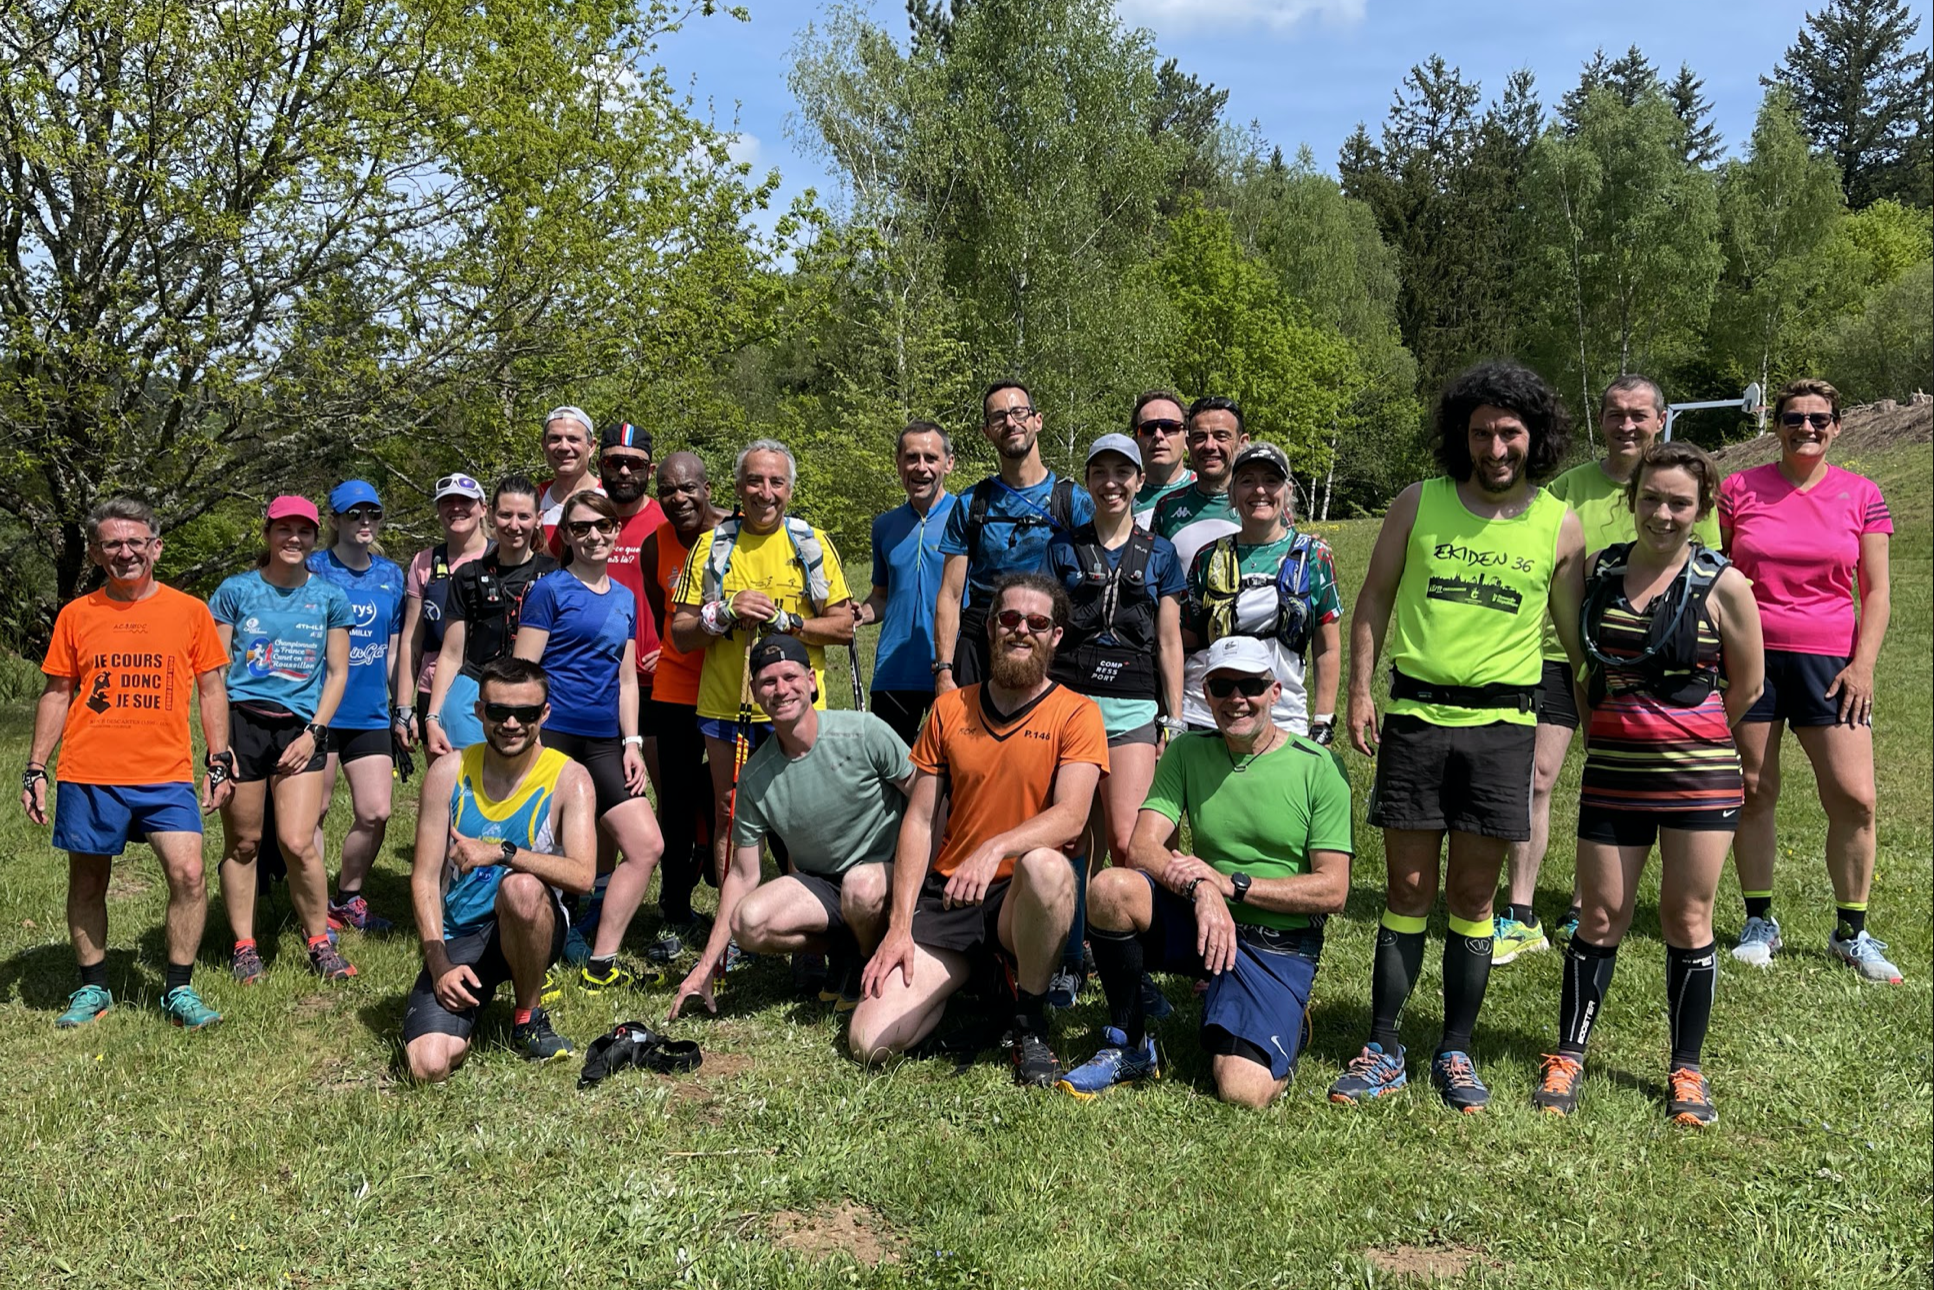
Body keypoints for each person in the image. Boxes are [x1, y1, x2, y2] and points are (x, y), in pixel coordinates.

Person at [1330, 360, 1586, 1113]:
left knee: (1474, 895)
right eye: (1481, 433)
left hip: (1503, 729)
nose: (1495, 448)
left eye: (1509, 432)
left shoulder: (1559, 523)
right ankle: (1383, 1047)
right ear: (1461, 436)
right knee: (1408, 888)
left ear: (1533, 436)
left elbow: (1576, 640)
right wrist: (1359, 691)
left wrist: (1613, 711)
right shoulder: (1420, 502)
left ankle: (1455, 1049)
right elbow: (1373, 598)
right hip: (1416, 720)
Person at [1531, 441, 1764, 1127]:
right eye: (1652, 498)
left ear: (1702, 508)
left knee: (1686, 918)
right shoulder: (1602, 572)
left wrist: (1694, 737)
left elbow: (1749, 686)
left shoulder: (1725, 584)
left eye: (1679, 503)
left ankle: (1687, 1069)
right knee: (1600, 916)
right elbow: (1583, 669)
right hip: (1614, 773)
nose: (1664, 513)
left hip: (1699, 778)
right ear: (1632, 500)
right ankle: (1568, 1054)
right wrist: (1604, 731)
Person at [1058, 637, 1352, 1105]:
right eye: (1222, 686)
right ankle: (1130, 1044)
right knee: (1112, 888)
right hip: (1204, 921)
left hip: (1277, 944)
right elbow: (1142, 846)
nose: (1237, 699)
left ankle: (1285, 1020)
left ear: (1275, 691)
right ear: (1206, 694)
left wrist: (1231, 886)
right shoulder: (1187, 752)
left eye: (1250, 686)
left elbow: (1333, 890)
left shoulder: (1319, 768)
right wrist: (1201, 887)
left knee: (1242, 1090)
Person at [1494, 374, 1722, 965]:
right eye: (1615, 413)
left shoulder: (1686, 488)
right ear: (1601, 419)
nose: (1627, 425)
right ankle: (1519, 911)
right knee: (1537, 777)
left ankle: (1583, 902)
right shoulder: (1568, 488)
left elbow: (1708, 572)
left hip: (1648, 665)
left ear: (1660, 420)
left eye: (1639, 414)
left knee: (1611, 781)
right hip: (1558, 653)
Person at [851, 575, 1109, 1088]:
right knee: (869, 1041)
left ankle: (1029, 1021)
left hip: (1020, 899)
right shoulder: (949, 709)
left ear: (1055, 636)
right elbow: (918, 820)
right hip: (952, 894)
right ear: (990, 628)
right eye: (1009, 619)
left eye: (1037, 622)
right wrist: (899, 926)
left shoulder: (1079, 713)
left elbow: (1071, 817)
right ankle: (979, 977)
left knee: (1046, 865)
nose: (1021, 630)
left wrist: (996, 848)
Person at [22, 497, 232, 1030]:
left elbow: (212, 690)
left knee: (189, 873)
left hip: (165, 774)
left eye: (135, 542)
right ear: (96, 553)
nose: (125, 552)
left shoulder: (189, 611)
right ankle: (93, 987)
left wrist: (219, 759)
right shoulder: (77, 615)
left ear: (155, 548)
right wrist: (35, 767)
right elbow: (57, 693)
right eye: (112, 544)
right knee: (88, 882)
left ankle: (179, 990)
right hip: (90, 772)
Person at [1720, 378, 1899, 983]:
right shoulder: (1738, 489)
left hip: (1832, 663)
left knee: (1855, 797)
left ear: (1837, 426)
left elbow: (1876, 591)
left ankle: (1851, 932)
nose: (1807, 428)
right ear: (1776, 425)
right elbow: (1716, 573)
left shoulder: (1862, 494)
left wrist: (1863, 665)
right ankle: (1759, 922)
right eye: (1794, 418)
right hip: (1753, 658)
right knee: (1753, 789)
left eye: (1819, 418)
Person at [668, 634, 913, 1019]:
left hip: (887, 876)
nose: (781, 690)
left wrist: (932, 871)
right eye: (768, 682)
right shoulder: (754, 778)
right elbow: (743, 875)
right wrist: (706, 965)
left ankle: (863, 959)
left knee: (861, 886)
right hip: (823, 886)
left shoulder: (865, 732)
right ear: (754, 693)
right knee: (748, 921)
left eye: (790, 677)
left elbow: (927, 797)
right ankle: (845, 950)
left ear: (812, 681)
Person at [670, 439, 855, 900]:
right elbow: (682, 633)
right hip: (727, 705)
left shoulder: (811, 543)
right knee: (730, 813)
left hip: (796, 706)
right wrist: (723, 613)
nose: (765, 492)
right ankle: (733, 924)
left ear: (789, 489)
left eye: (776, 482)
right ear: (738, 487)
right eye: (754, 481)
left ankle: (804, 923)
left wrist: (788, 622)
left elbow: (844, 627)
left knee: (803, 816)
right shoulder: (713, 545)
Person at [1042, 433, 1186, 1006]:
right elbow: (1047, 630)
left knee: (1127, 842)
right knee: (1072, 837)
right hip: (1072, 708)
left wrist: (1173, 718)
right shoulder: (1061, 549)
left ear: (1138, 480)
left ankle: (1131, 965)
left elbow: (1169, 642)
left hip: (1133, 707)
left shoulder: (1162, 554)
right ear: (1088, 480)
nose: (1111, 483)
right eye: (1100, 472)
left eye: (1122, 472)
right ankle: (1069, 958)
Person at [403, 657, 597, 1079]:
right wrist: (439, 965)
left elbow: (583, 877)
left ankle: (528, 1016)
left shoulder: (571, 779)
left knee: (520, 888)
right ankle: (469, 1002)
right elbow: (424, 878)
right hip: (462, 930)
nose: (512, 724)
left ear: (544, 713)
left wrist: (502, 852)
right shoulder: (447, 773)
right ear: (479, 711)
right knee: (428, 1065)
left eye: (526, 713)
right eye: (498, 711)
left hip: (533, 921)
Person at [514, 490, 665, 990]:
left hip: (604, 742)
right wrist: (525, 742)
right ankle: (534, 949)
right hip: (552, 736)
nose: (594, 536)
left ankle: (601, 959)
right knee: (545, 851)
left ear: (616, 530)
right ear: (567, 536)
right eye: (581, 528)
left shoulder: (624, 597)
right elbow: (524, 673)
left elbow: (626, 678)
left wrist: (632, 742)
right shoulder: (549, 591)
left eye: (603, 525)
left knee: (646, 845)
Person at [209, 496, 360, 983]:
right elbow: (213, 674)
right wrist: (218, 746)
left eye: (304, 531)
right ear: (268, 533)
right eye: (284, 529)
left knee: (298, 841)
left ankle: (319, 941)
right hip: (243, 725)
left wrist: (315, 732)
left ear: (315, 537)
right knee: (245, 842)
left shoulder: (330, 598)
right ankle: (244, 946)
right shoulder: (236, 591)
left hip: (301, 729)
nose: (294, 538)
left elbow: (338, 673)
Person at [932, 382, 1093, 691]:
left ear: (1037, 420)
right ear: (987, 432)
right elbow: (950, 595)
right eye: (998, 417)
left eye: (1019, 412)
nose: (1010, 422)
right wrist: (944, 671)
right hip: (982, 640)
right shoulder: (971, 503)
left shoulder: (1073, 502)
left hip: (1048, 639)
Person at [1180, 441, 1342, 740]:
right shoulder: (1208, 558)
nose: (1259, 490)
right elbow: (1186, 644)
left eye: (1271, 480)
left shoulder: (1314, 556)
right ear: (1232, 493)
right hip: (1208, 715)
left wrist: (1323, 719)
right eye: (1247, 481)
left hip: (1283, 715)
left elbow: (1327, 647)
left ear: (1287, 491)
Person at [305, 480, 407, 935]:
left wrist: (401, 708)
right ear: (335, 520)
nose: (365, 522)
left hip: (370, 712)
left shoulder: (391, 575)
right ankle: (313, 908)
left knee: (375, 811)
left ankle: (348, 897)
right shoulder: (313, 568)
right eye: (354, 514)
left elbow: (394, 647)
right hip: (321, 710)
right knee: (315, 811)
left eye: (372, 513)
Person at [637, 452, 728, 959]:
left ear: (708, 489)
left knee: (733, 793)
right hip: (676, 681)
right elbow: (664, 616)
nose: (679, 498)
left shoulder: (734, 532)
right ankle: (674, 904)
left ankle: (731, 885)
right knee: (673, 797)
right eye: (668, 490)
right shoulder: (656, 545)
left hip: (728, 680)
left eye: (688, 488)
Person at [424, 476, 558, 755]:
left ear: (538, 519)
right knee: (467, 780)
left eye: (524, 516)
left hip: (533, 698)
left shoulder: (554, 574)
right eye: (506, 515)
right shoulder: (469, 575)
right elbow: (451, 653)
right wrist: (432, 717)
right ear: (491, 514)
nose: (514, 525)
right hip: (473, 698)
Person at [857, 420, 958, 746]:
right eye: (912, 457)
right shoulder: (884, 526)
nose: (921, 467)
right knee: (890, 768)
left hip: (952, 669)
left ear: (948, 463)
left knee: (954, 767)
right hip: (894, 671)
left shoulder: (965, 517)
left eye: (931, 458)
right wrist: (860, 613)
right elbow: (882, 596)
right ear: (898, 463)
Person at [393, 473, 489, 754]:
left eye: (465, 501)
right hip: (433, 688)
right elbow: (412, 639)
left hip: (486, 689)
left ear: (483, 508)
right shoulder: (424, 562)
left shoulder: (499, 557)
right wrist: (403, 707)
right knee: (441, 778)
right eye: (448, 501)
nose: (456, 507)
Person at [1150, 396, 1248, 575]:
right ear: (1188, 444)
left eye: (1221, 436)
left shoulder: (1263, 504)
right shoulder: (1167, 507)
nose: (1210, 446)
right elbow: (1153, 577)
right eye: (1200, 437)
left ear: (1242, 443)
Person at [536, 405, 601, 548]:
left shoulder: (610, 498)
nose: (564, 447)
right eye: (555, 439)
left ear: (591, 446)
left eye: (573, 439)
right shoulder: (533, 499)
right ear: (544, 445)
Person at [1129, 390, 1195, 523]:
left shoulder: (1212, 492)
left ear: (1187, 440)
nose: (1158, 435)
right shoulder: (1120, 499)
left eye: (1168, 427)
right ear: (1135, 441)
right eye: (1148, 429)